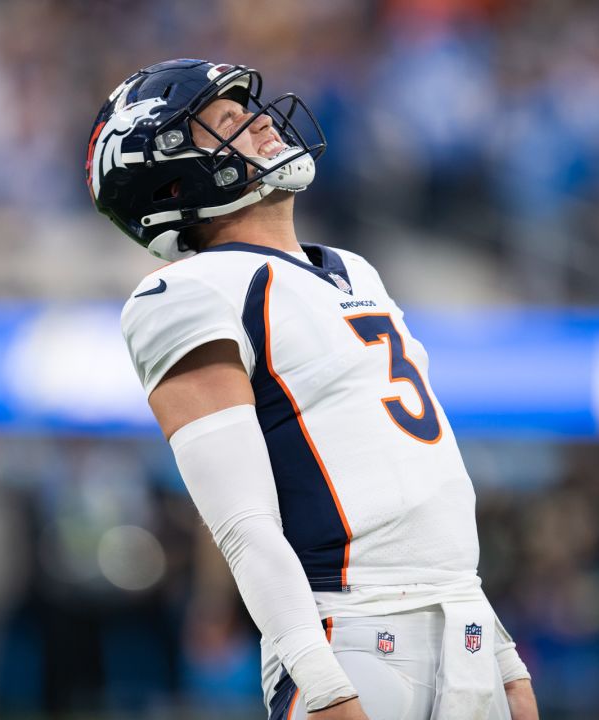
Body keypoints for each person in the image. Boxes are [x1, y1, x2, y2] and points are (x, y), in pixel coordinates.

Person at [87, 59, 539, 720]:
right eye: (229, 122)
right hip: (354, 633)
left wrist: (498, 651)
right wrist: (321, 682)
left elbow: (428, 488)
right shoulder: (187, 292)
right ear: (173, 171)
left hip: (461, 625)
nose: (263, 120)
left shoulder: (352, 270)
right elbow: (244, 527)